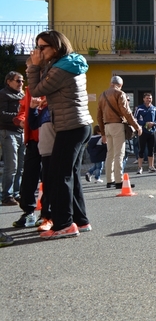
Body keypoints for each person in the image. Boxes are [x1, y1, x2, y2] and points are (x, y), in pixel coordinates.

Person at [27, 30, 94, 239]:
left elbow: (36, 90)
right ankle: (80, 221)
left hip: (70, 127)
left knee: (58, 175)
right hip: (80, 125)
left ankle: (64, 224)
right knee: (70, 174)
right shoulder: (70, 64)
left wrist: (33, 67)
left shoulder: (60, 69)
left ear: (55, 47)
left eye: (42, 47)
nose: (38, 51)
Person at [98, 76, 141, 189]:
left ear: (111, 83)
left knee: (110, 154)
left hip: (107, 126)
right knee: (119, 154)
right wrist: (137, 126)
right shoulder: (120, 94)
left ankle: (109, 180)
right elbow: (126, 112)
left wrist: (102, 133)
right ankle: (119, 181)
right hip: (117, 125)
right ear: (120, 85)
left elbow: (99, 116)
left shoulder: (102, 95)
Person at [12, 91, 41, 228]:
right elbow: (23, 112)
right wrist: (21, 120)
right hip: (32, 140)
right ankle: (28, 212)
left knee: (49, 177)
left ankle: (48, 213)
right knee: (29, 177)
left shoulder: (51, 86)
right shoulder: (29, 91)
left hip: (49, 138)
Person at [28, 96, 54, 233]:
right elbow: (33, 124)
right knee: (47, 185)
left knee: (53, 186)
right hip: (45, 152)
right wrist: (32, 108)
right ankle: (47, 217)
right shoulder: (44, 109)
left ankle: (51, 217)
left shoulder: (58, 107)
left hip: (55, 151)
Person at [0, 71, 25, 206]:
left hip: (21, 132)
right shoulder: (3, 94)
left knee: (20, 166)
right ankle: (6, 195)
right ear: (9, 81)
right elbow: (2, 114)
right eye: (18, 80)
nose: (21, 83)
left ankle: (16, 193)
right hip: (8, 132)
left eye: (22, 81)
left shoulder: (22, 95)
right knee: (12, 165)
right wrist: (17, 119)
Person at [133, 92, 156, 174]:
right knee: (141, 149)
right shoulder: (139, 108)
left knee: (151, 150)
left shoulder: (154, 108)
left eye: (150, 98)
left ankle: (151, 167)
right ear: (144, 99)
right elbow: (135, 119)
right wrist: (144, 123)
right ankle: (139, 167)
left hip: (151, 132)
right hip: (142, 132)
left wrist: (153, 123)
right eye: (147, 98)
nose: (149, 100)